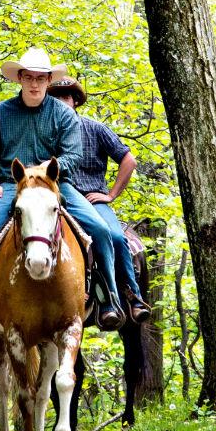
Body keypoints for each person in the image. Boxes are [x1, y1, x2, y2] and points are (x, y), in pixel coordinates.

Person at [0, 48, 111, 338]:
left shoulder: (63, 114)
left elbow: (73, 156)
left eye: (40, 78)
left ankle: (107, 297)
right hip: (13, 185)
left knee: (100, 230)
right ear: (20, 79)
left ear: (49, 80)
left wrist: (44, 170)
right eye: (29, 78)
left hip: (55, 185)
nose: (34, 84)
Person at [46, 78, 151, 326]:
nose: (61, 102)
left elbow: (129, 160)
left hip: (93, 200)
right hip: (56, 200)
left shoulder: (95, 129)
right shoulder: (45, 132)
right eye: (56, 98)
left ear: (75, 101)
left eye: (66, 97)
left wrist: (111, 194)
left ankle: (127, 295)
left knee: (113, 236)